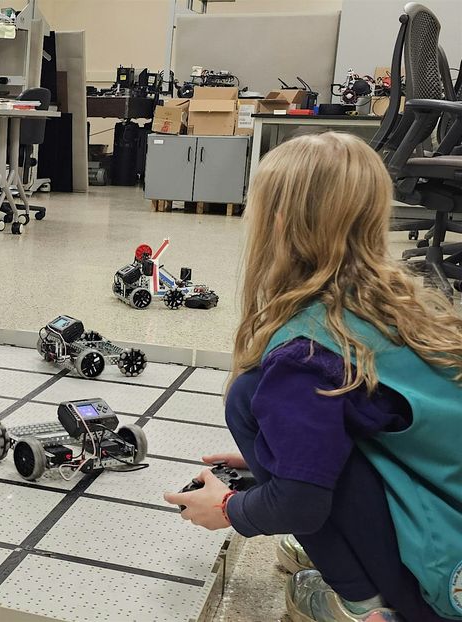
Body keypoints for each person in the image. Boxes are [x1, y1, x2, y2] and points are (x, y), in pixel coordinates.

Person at [163, 133, 462, 622]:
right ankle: (367, 567)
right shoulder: (396, 306)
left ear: (278, 223)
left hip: (440, 587)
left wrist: (227, 510)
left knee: (246, 396)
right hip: (446, 517)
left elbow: (300, 504)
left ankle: (363, 604)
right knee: (278, 421)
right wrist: (280, 450)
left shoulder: (306, 352)